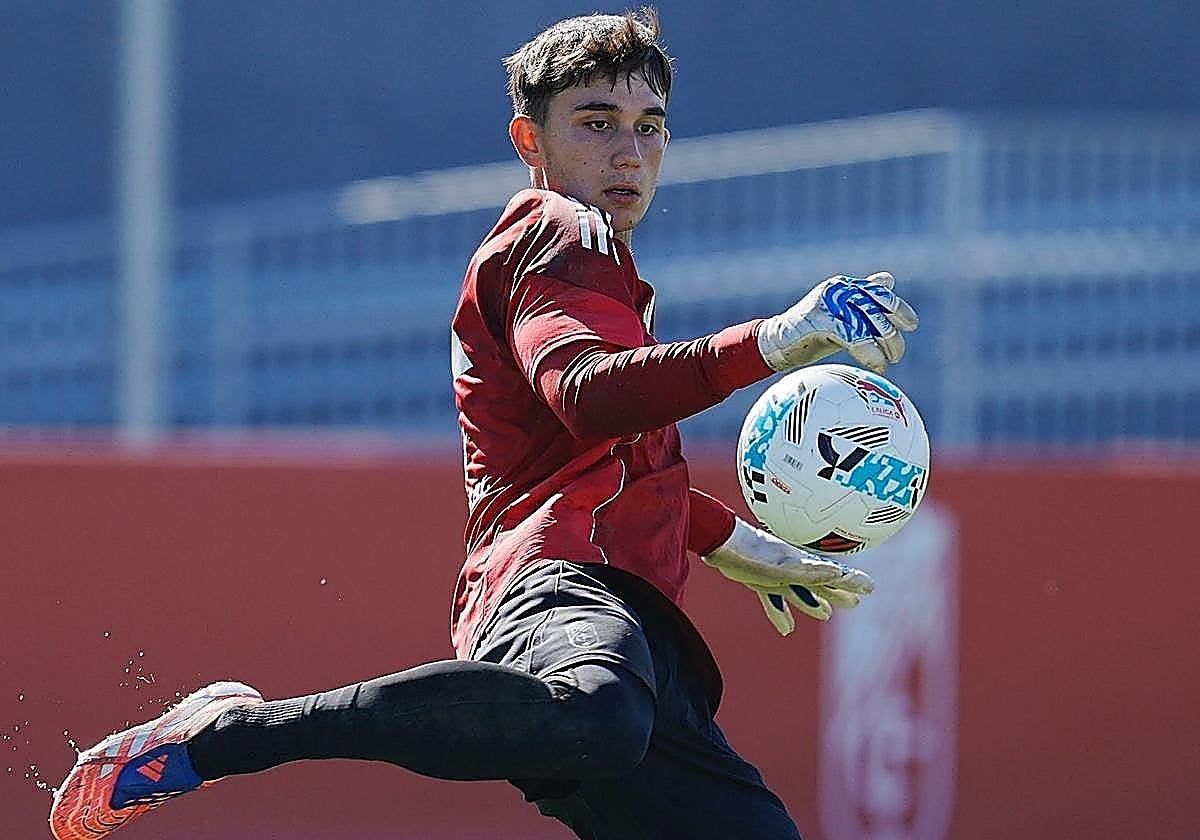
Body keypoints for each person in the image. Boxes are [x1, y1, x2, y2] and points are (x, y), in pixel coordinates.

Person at [49, 9, 917, 840]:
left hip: (638, 636)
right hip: (562, 589)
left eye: (651, 127)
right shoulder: (556, 229)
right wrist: (772, 341)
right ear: (528, 141)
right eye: (597, 122)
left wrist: (726, 537)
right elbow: (587, 393)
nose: (630, 151)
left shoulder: (603, 267)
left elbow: (606, 451)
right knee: (599, 715)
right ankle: (230, 735)